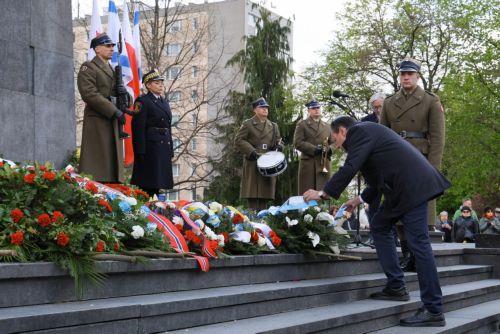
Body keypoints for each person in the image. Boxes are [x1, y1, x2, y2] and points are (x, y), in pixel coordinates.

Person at [304, 116, 450, 327]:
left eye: (334, 138)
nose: (335, 144)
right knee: (380, 225)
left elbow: (350, 167)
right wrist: (359, 199)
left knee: (419, 244)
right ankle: (396, 286)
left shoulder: (360, 132)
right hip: (401, 189)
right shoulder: (368, 136)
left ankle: (434, 309)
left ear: (343, 131)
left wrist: (324, 193)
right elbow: (378, 178)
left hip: (412, 188)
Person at [380, 57, 445, 272]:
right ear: (399, 76)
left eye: (410, 74)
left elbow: (437, 138)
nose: (406, 77)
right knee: (398, 208)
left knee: (420, 210)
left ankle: (418, 255)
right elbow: (381, 135)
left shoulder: (430, 100)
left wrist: (433, 169)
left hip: (421, 161)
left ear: (417, 76)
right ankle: (407, 253)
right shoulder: (389, 102)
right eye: (403, 74)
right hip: (396, 161)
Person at [77, 33, 128, 183]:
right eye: (108, 46)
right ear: (97, 49)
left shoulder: (112, 69)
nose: (112, 49)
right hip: (99, 121)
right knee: (98, 168)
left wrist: (125, 95)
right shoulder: (89, 67)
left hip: (112, 121)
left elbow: (120, 93)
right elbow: (89, 94)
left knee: (112, 169)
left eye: (112, 46)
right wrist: (114, 111)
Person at [130, 70, 174, 198]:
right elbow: (138, 127)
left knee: (158, 184)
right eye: (156, 83)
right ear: (148, 85)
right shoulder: (142, 101)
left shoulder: (164, 102)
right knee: (148, 184)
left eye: (161, 83)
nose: (161, 85)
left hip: (163, 146)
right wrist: (140, 151)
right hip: (150, 148)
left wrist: (170, 148)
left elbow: (168, 126)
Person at [235, 98, 282, 210]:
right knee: (253, 197)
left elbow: (279, 141)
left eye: (266, 108)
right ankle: (252, 222)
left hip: (268, 163)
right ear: (255, 110)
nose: (265, 110)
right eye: (262, 107)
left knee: (264, 197)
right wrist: (252, 152)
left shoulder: (273, 126)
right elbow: (239, 140)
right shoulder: (248, 124)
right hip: (253, 163)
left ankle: (263, 222)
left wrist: (280, 146)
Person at [293, 99, 332, 195]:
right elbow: (297, 142)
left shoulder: (327, 126)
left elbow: (334, 142)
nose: (316, 110)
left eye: (318, 108)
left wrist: (331, 149)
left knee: (323, 194)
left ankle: (322, 210)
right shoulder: (302, 125)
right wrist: (315, 149)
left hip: (324, 164)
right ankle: (309, 211)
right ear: (309, 110)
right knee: (306, 194)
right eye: (313, 108)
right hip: (308, 164)